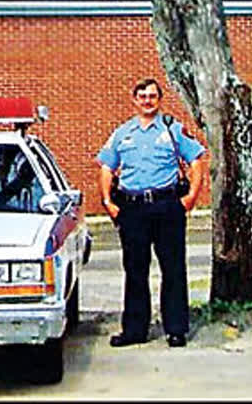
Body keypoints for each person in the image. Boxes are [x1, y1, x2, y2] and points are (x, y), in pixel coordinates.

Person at [96, 77, 206, 348]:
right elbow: (107, 167)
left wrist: (191, 197)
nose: (147, 100)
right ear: (134, 100)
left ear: (159, 100)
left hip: (167, 206)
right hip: (132, 209)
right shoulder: (122, 133)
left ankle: (176, 329)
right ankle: (134, 330)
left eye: (152, 96)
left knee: (173, 269)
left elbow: (196, 160)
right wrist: (108, 201)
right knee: (135, 271)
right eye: (142, 96)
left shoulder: (172, 129)